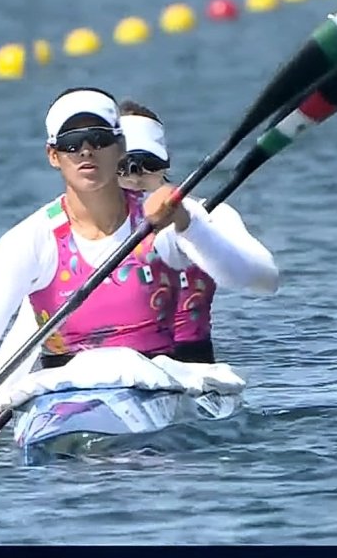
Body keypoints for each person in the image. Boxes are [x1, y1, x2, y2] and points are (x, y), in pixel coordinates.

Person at [0, 87, 275, 455]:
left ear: (120, 147)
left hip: (163, 384)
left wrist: (187, 224)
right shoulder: (30, 240)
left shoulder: (175, 220)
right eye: (72, 143)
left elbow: (260, 278)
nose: (85, 152)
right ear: (53, 155)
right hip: (65, 394)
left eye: (98, 140)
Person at [116, 99, 278, 363]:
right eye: (120, 166)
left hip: (190, 367)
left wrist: (190, 226)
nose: (134, 176)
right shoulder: (74, 226)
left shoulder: (209, 213)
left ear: (165, 163)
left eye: (146, 162)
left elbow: (268, 279)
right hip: (102, 371)